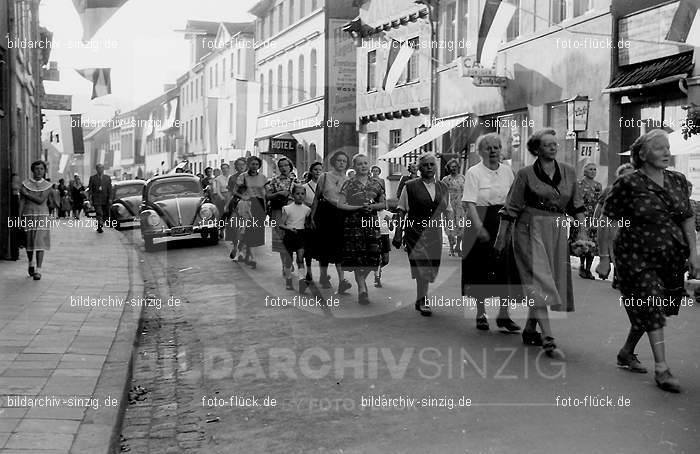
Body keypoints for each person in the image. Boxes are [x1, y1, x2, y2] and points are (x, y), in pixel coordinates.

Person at [598, 129, 697, 393]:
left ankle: (626, 351)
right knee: (651, 304)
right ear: (642, 154)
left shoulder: (677, 180)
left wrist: (694, 254)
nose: (667, 152)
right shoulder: (627, 183)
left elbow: (686, 217)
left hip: (671, 256)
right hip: (635, 256)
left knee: (654, 310)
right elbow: (607, 220)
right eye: (659, 148)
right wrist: (604, 258)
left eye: (668, 148)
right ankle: (662, 369)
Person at [495, 129, 587, 358]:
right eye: (548, 145)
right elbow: (511, 207)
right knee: (539, 280)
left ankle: (530, 328)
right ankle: (548, 337)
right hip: (528, 228)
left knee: (550, 279)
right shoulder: (525, 174)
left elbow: (577, 206)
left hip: (556, 230)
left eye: (555, 144)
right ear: (537, 149)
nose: (554, 148)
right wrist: (501, 237)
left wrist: (583, 233)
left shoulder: (568, 172)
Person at [462, 133, 521, 332]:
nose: (493, 151)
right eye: (488, 148)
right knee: (481, 268)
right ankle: (481, 313)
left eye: (496, 147)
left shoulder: (507, 171)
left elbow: (513, 200)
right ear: (480, 152)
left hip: (503, 221)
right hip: (480, 221)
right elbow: (469, 202)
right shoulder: (474, 172)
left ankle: (504, 315)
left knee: (505, 268)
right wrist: (478, 228)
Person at [392, 153, 451, 316]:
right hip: (415, 231)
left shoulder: (443, 187)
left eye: (432, 165)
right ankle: (424, 299)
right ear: (419, 168)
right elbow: (401, 210)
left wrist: (451, 228)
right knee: (422, 265)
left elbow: (448, 209)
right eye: (426, 165)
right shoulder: (410, 186)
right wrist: (398, 234)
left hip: (435, 232)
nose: (429, 168)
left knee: (431, 266)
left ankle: (420, 297)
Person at [336, 153, 386, 305]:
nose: (363, 166)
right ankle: (362, 289)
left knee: (373, 257)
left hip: (371, 224)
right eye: (359, 164)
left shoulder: (377, 184)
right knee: (358, 257)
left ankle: (362, 281)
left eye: (365, 163)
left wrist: (372, 206)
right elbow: (340, 204)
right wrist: (357, 207)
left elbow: (384, 204)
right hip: (354, 225)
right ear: (354, 166)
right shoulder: (349, 184)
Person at [310, 151, 352, 294]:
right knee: (325, 247)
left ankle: (342, 281)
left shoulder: (348, 180)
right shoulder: (324, 176)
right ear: (334, 162)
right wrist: (312, 217)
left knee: (339, 247)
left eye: (344, 161)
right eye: (339, 160)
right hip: (324, 213)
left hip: (340, 214)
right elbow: (316, 198)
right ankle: (323, 276)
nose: (341, 163)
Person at [593, 163, 634, 288]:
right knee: (617, 251)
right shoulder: (610, 190)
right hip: (615, 226)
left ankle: (621, 276)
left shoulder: (640, 191)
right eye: (625, 175)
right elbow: (599, 209)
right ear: (619, 177)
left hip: (633, 228)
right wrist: (596, 223)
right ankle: (618, 276)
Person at [266, 157, 299, 279]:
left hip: (293, 212)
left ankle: (289, 262)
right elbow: (268, 196)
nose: (283, 168)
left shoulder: (296, 180)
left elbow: (302, 195)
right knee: (280, 239)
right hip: (278, 212)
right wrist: (278, 193)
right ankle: (284, 264)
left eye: (286, 165)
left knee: (292, 238)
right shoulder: (274, 181)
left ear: (290, 166)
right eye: (281, 166)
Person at [20, 161, 52, 280]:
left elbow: (41, 199)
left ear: (44, 171)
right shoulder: (25, 184)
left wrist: (27, 193)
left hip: (42, 216)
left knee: (40, 242)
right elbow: (22, 202)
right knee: (29, 242)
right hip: (28, 214)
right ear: (32, 170)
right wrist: (19, 217)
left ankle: (39, 270)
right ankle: (30, 263)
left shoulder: (48, 185)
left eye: (42, 169)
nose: (39, 171)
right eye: (37, 169)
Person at [569, 163, 602, 280]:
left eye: (594, 169)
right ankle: (582, 267)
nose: (593, 171)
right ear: (585, 172)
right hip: (581, 217)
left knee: (592, 244)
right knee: (582, 243)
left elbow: (600, 202)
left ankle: (588, 269)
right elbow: (574, 202)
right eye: (590, 169)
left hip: (593, 218)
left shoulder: (598, 185)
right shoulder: (578, 184)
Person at [235, 156, 267, 268]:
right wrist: (243, 197)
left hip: (259, 205)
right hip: (246, 205)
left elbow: (264, 193)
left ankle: (246, 253)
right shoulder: (243, 176)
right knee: (246, 230)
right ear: (248, 165)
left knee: (255, 231)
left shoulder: (263, 177)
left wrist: (265, 208)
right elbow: (236, 191)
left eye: (257, 164)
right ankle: (247, 254)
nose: (254, 166)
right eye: (252, 164)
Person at [280, 185, 312, 291]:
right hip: (289, 235)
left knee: (300, 257)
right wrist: (289, 228)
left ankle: (302, 280)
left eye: (302, 194)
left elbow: (307, 223)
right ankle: (288, 280)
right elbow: (281, 224)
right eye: (297, 194)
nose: (300, 196)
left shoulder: (307, 210)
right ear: (293, 195)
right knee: (288, 260)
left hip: (301, 235)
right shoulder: (287, 208)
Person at [302, 162, 323, 282]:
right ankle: (309, 272)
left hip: (321, 218)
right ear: (311, 171)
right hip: (308, 218)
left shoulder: (325, 186)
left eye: (320, 169)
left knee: (321, 248)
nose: (318, 172)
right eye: (315, 169)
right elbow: (301, 200)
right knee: (308, 248)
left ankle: (322, 274)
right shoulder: (305, 187)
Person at [442, 158, 466, 256]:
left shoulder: (463, 178)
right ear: (448, 168)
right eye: (452, 167)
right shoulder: (445, 179)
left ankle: (458, 246)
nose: (454, 169)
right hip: (449, 205)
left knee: (461, 226)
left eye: (455, 167)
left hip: (461, 205)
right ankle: (451, 247)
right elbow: (442, 193)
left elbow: (467, 191)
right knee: (450, 226)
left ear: (458, 167)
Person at [226, 158, 248, 260]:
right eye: (239, 165)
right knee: (234, 227)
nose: (241, 167)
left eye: (243, 164)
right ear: (235, 167)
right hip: (235, 203)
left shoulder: (249, 176)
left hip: (248, 204)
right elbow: (230, 192)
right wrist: (226, 204)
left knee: (245, 228)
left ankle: (242, 249)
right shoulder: (232, 178)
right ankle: (235, 246)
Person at [88, 163, 113, 233]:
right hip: (96, 199)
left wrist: (110, 198)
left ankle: (101, 222)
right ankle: (100, 225)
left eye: (101, 168)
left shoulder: (107, 178)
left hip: (105, 198)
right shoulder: (93, 178)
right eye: (99, 168)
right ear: (96, 169)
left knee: (105, 213)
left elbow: (110, 189)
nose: (100, 170)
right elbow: (90, 189)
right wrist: (90, 198)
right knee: (99, 212)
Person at [373, 207, 393, 288]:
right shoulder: (372, 213)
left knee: (386, 260)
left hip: (385, 237)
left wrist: (389, 221)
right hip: (375, 238)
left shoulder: (388, 213)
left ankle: (378, 269)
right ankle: (377, 278)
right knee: (377, 259)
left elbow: (391, 228)